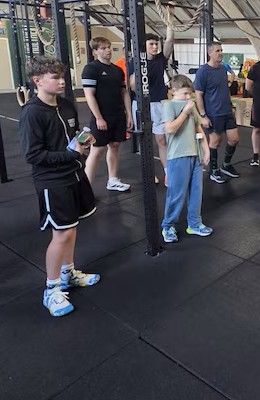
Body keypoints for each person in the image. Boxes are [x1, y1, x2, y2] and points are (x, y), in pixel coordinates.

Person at [19, 56, 101, 317]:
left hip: (74, 174)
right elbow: (33, 155)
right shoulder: (32, 112)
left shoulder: (65, 105)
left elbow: (71, 140)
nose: (62, 81)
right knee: (61, 234)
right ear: (37, 80)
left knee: (71, 228)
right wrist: (71, 154)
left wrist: (83, 143)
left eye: (62, 76)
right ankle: (51, 289)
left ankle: (68, 274)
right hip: (52, 181)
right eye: (55, 77)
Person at [160, 75, 212, 243]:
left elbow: (198, 128)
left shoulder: (190, 105)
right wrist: (185, 112)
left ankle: (194, 224)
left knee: (196, 193)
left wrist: (206, 150)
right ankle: (168, 226)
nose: (188, 97)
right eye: (184, 93)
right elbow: (170, 129)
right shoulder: (169, 106)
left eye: (190, 93)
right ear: (174, 91)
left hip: (195, 155)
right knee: (177, 194)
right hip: (178, 156)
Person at [82, 37, 134, 192]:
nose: (108, 50)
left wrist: (129, 114)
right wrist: (99, 117)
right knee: (97, 150)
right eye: (103, 48)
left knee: (115, 146)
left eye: (109, 47)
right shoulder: (91, 69)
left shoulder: (117, 70)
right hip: (102, 116)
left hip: (118, 115)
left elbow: (124, 93)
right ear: (95, 51)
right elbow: (89, 95)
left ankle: (113, 180)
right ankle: (85, 189)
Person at [128, 27, 174, 185]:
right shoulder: (135, 62)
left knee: (161, 141)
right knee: (145, 142)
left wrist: (169, 21)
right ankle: (149, 173)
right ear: (144, 46)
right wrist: (138, 71)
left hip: (158, 104)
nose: (155, 47)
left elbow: (170, 40)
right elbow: (132, 86)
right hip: (141, 105)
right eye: (151, 44)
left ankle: (168, 174)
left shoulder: (160, 59)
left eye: (156, 44)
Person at [194, 41, 240, 184]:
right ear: (210, 53)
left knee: (234, 139)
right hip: (213, 113)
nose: (220, 53)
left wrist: (231, 106)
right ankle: (213, 171)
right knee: (215, 141)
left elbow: (225, 90)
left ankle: (226, 165)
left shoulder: (222, 69)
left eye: (221, 50)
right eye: (217, 51)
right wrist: (203, 115)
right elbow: (198, 95)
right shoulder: (203, 71)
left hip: (226, 111)